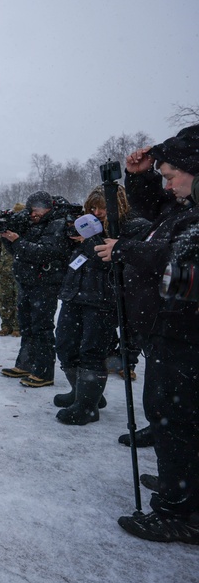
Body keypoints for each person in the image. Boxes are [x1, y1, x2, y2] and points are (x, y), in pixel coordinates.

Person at [94, 126, 199, 543]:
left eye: (172, 174)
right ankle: (184, 489)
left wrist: (124, 249)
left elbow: (179, 262)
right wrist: (140, 177)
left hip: (185, 337)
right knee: (173, 418)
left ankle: (180, 511)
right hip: (172, 333)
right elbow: (158, 217)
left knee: (177, 420)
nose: (167, 183)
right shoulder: (184, 207)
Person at [53, 185, 146, 425]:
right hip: (74, 294)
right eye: (92, 207)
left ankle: (87, 407)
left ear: (118, 205)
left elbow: (110, 261)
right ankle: (83, 394)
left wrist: (89, 239)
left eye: (102, 207)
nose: (97, 212)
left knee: (92, 352)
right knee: (65, 345)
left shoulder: (131, 227)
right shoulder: (86, 225)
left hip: (103, 300)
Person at [0, 191, 73, 387]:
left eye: (37, 210)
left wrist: (17, 241)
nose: (33, 214)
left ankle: (44, 371)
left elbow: (46, 252)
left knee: (42, 327)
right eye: (31, 210)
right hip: (28, 281)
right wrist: (8, 237)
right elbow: (18, 251)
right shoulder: (34, 224)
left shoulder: (57, 223)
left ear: (48, 208)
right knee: (27, 325)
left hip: (45, 283)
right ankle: (26, 363)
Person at [0, 204, 23, 336]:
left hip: (20, 272)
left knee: (18, 300)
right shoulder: (4, 230)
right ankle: (6, 325)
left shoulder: (25, 230)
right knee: (5, 299)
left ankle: (17, 326)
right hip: (4, 271)